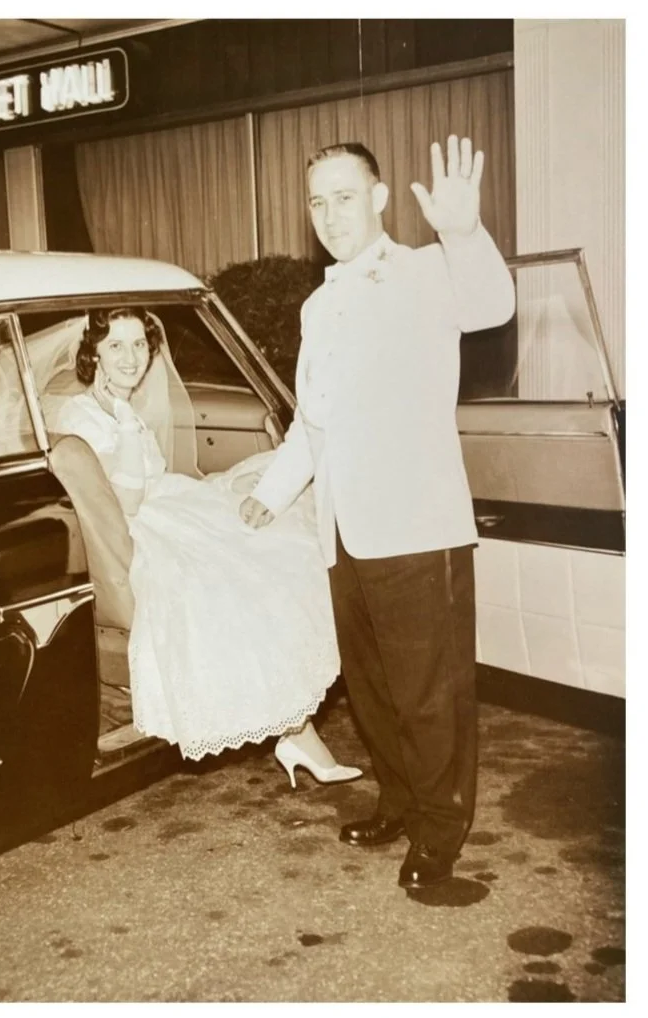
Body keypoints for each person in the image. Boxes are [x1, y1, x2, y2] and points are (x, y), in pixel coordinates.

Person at [240, 136, 516, 888]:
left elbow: (492, 304)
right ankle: (398, 802)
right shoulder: (317, 305)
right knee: (374, 691)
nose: (330, 214)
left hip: (417, 529)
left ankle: (438, 837)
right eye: (317, 201)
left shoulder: (426, 272)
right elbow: (312, 421)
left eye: (344, 196)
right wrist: (268, 496)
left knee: (431, 697)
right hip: (344, 532)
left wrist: (460, 230)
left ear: (380, 197)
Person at [57, 306, 362, 786]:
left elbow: (155, 479)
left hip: (166, 504)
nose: (131, 358)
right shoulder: (82, 414)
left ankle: (297, 729)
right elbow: (130, 499)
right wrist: (122, 422)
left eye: (139, 344)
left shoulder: (122, 406)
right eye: (115, 345)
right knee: (239, 573)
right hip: (134, 525)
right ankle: (296, 732)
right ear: (92, 353)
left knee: (282, 537)